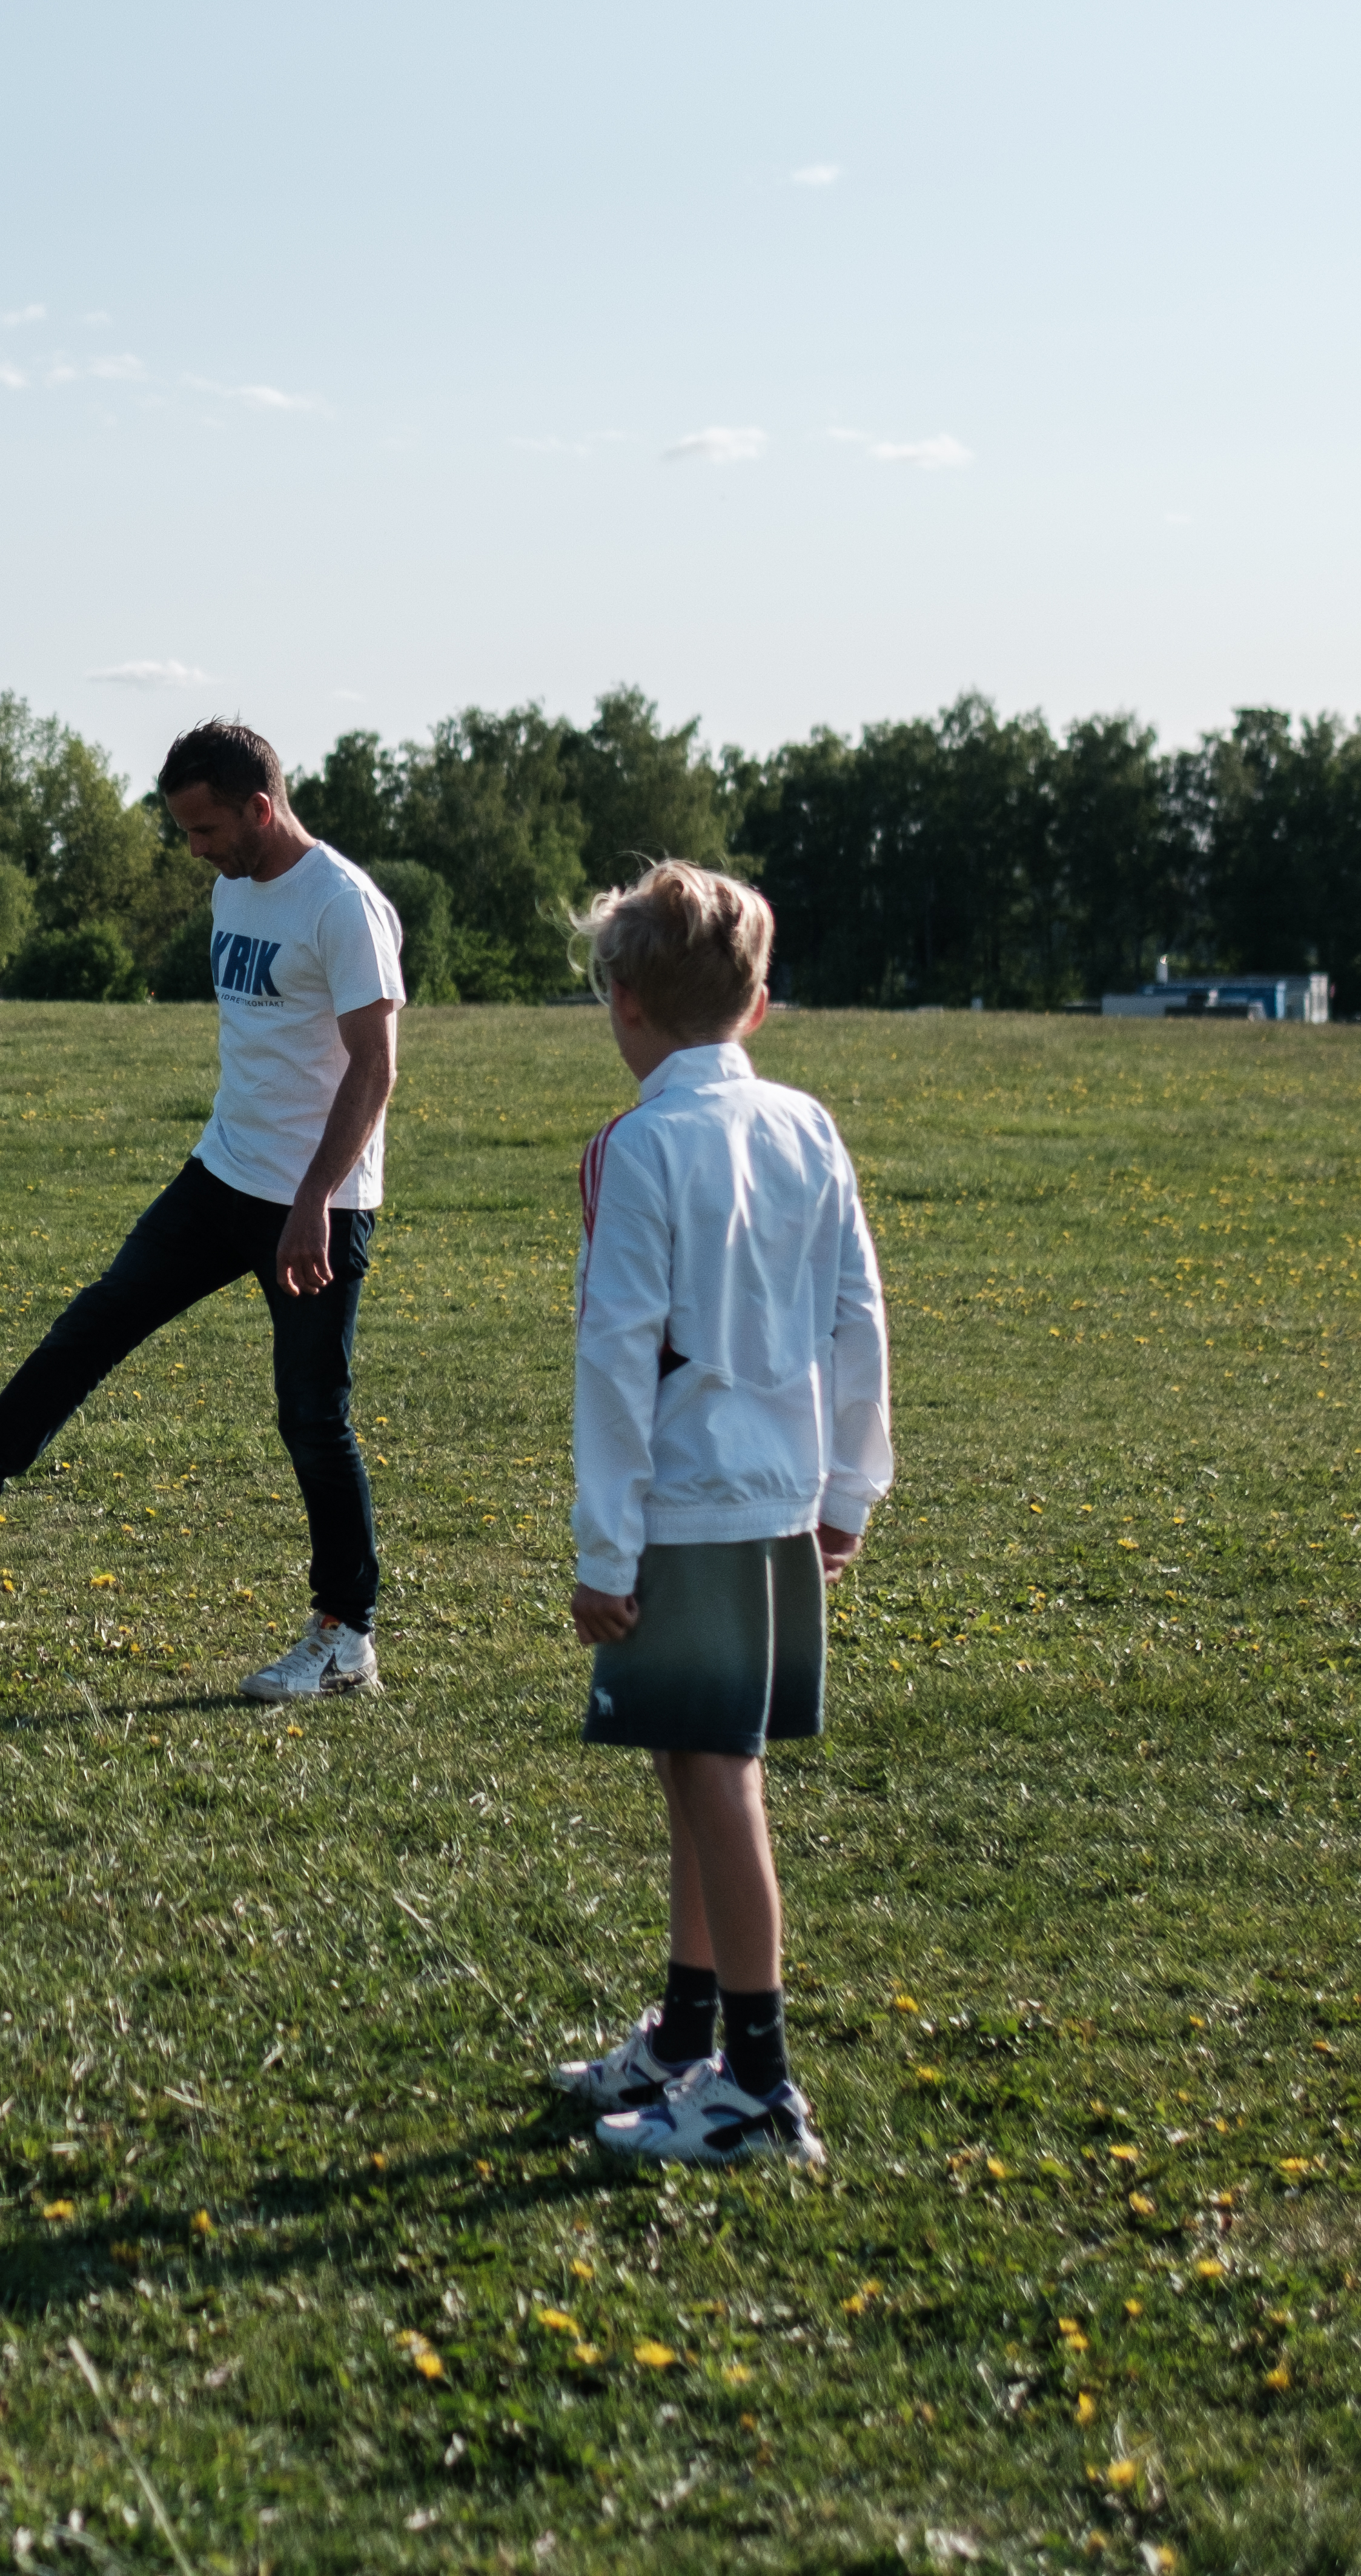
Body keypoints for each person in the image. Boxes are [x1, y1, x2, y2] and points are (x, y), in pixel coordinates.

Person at [0, 720, 403, 1705]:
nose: (193, 851)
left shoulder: (341, 904)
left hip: (316, 1202)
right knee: (97, 1319)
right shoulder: (235, 887)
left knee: (313, 1419)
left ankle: (344, 1632)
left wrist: (314, 1199)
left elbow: (376, 1065)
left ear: (258, 810)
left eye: (203, 829)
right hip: (222, 1173)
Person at [542, 863, 890, 2169]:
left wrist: (600, 1546)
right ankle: (687, 2035)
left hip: (683, 1505)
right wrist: (849, 1485)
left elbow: (617, 1350)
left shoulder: (638, 1145)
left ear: (622, 1003)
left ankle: (757, 2081)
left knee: (715, 1772)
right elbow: (860, 1315)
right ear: (756, 1005)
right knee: (697, 1761)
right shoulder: (811, 1125)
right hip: (782, 1496)